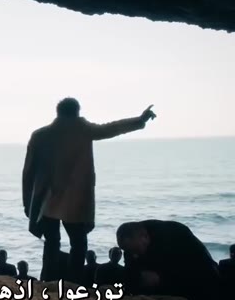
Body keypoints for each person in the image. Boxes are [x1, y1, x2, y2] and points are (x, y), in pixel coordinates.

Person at [22, 98, 156, 282]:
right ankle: (74, 281)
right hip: (76, 201)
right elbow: (112, 128)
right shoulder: (84, 130)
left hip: (47, 200)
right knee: (78, 244)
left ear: (58, 112)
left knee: (51, 243)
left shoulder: (40, 135)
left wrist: (28, 203)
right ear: (77, 112)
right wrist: (140, 120)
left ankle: (48, 279)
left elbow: (28, 172)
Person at [116, 220, 220, 300]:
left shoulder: (171, 237)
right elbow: (129, 273)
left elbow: (186, 269)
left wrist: (161, 277)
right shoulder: (132, 243)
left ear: (145, 237)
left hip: (198, 269)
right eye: (127, 251)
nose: (134, 255)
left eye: (136, 250)